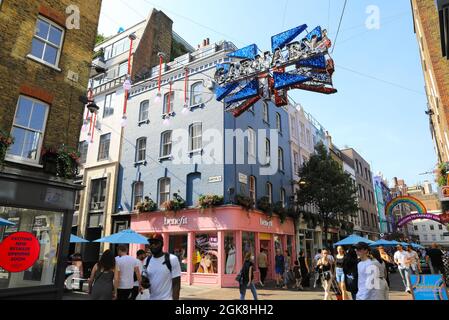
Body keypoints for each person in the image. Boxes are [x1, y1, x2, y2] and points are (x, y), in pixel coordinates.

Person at [145, 233, 182, 300]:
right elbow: (146, 279)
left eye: (156, 243)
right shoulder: (147, 260)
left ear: (162, 244)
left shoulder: (172, 259)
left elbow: (176, 284)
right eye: (151, 243)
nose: (153, 245)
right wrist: (144, 283)